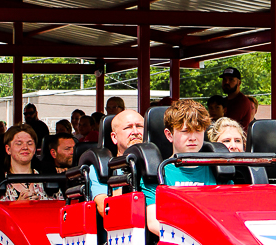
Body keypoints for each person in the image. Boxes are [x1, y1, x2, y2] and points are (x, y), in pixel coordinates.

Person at [142, 100, 220, 235]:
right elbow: (154, 222)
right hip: (175, 244)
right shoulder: (157, 174)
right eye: (185, 131)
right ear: (169, 135)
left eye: (198, 131)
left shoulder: (219, 170)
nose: (193, 138)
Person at [89, 109, 145, 216]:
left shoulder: (159, 164)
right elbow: (105, 208)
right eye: (128, 127)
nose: (135, 132)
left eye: (139, 126)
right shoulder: (101, 168)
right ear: (114, 137)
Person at [0, 125, 55, 201]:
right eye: (19, 143)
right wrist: (17, 206)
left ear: (34, 149)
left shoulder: (48, 181)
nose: (25, 147)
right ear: (8, 149)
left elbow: (61, 209)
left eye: (29, 143)